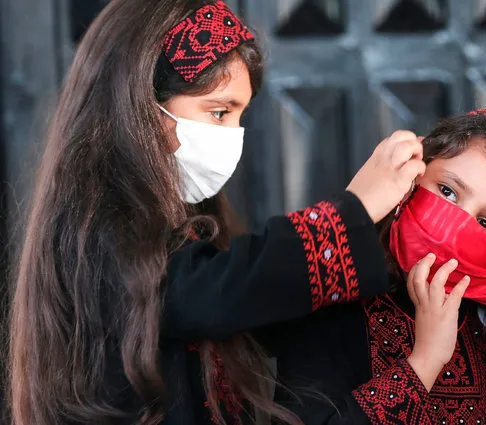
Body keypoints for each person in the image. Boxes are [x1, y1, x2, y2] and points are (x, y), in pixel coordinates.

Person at [8, 1, 426, 424]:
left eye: (239, 116)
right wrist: (351, 212)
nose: (233, 137)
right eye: (219, 112)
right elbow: (204, 293)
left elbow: (262, 313)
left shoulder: (190, 223)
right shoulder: (95, 224)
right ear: (140, 103)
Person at [272, 109, 486, 425]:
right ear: (414, 176)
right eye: (447, 191)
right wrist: (425, 362)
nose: (455, 225)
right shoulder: (329, 301)